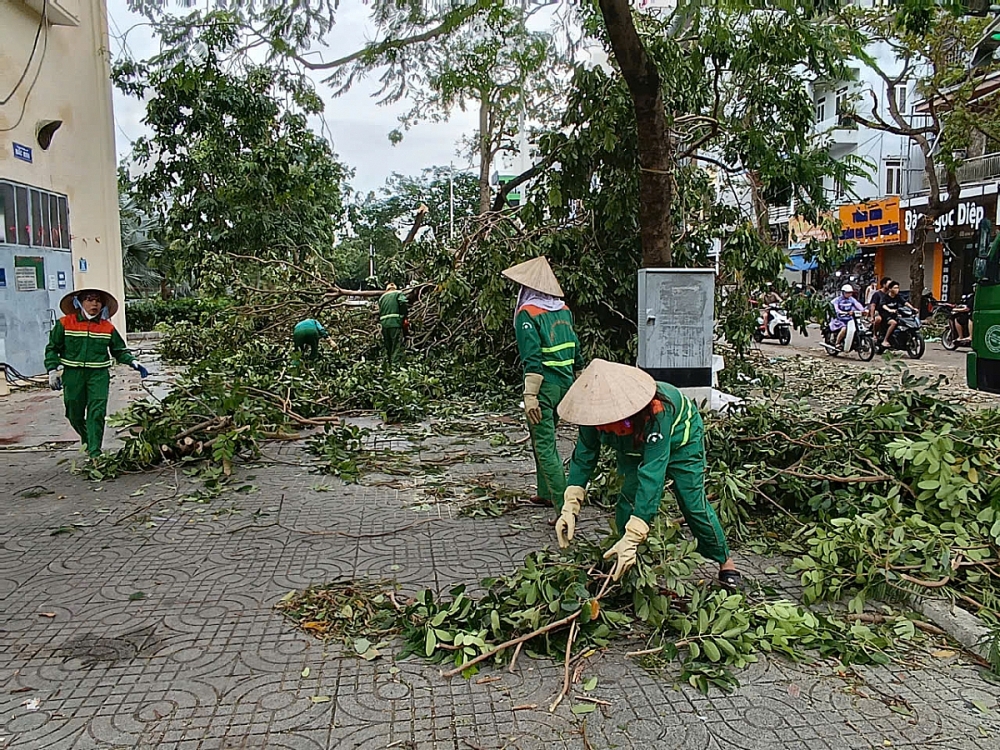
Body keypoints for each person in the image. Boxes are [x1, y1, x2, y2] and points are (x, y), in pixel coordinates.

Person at [555, 359, 741, 588]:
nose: (601, 428)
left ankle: (725, 560)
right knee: (628, 500)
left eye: (606, 422)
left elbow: (652, 476)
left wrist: (636, 532)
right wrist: (570, 504)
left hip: (682, 443)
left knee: (692, 503)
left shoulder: (657, 411)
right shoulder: (592, 414)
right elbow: (584, 455)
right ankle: (628, 558)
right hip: (633, 445)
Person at [502, 256, 584, 508]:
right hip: (565, 384)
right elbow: (576, 349)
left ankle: (564, 507)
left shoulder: (527, 314)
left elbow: (532, 357)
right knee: (543, 439)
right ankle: (545, 492)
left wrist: (530, 396)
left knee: (545, 445)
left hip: (545, 387)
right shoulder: (564, 310)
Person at [44, 289, 148, 459]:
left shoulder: (107, 327)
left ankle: (95, 452)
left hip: (98, 375)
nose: (94, 304)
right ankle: (87, 439)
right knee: (74, 413)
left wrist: (133, 362)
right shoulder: (64, 323)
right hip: (73, 374)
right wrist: (52, 370)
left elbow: (119, 350)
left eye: (98, 301)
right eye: (90, 300)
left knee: (97, 412)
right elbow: (52, 348)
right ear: (79, 302)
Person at [878, 281, 917, 350]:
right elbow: (883, 305)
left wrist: (913, 308)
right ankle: (885, 340)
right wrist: (889, 310)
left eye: (898, 288)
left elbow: (905, 303)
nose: (897, 289)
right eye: (895, 288)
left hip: (895, 314)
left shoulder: (898, 296)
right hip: (886, 315)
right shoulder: (885, 297)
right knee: (894, 323)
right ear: (890, 289)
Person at [378, 283, 409, 367]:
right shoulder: (398, 293)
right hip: (395, 323)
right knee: (396, 345)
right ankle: (395, 366)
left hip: (384, 324)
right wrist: (404, 316)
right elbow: (403, 303)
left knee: (388, 346)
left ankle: (388, 365)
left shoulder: (382, 297)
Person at [829, 284, 864, 349]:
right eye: (847, 293)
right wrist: (842, 312)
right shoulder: (837, 300)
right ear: (843, 292)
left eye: (850, 292)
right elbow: (836, 309)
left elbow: (857, 304)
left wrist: (863, 310)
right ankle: (837, 343)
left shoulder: (851, 299)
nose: (849, 294)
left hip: (850, 319)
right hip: (839, 319)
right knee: (844, 329)